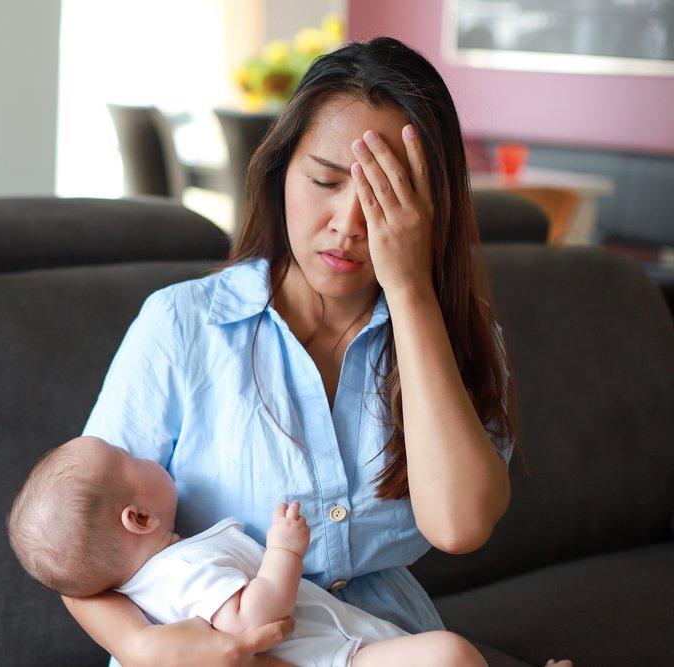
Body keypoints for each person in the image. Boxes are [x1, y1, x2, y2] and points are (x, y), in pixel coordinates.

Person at [63, 36, 568, 667]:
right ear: (281, 171)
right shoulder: (182, 326)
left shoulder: (457, 338)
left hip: (378, 646)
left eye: (389, 198)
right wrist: (143, 645)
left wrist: (410, 289)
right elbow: (79, 539)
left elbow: (460, 525)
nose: (350, 223)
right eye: (326, 181)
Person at [8, 435, 489, 667]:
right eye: (131, 460)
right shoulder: (180, 569)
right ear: (139, 518)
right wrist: (284, 552)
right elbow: (249, 624)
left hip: (337, 653)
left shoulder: (154, 584)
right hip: (330, 662)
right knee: (449, 656)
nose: (145, 456)